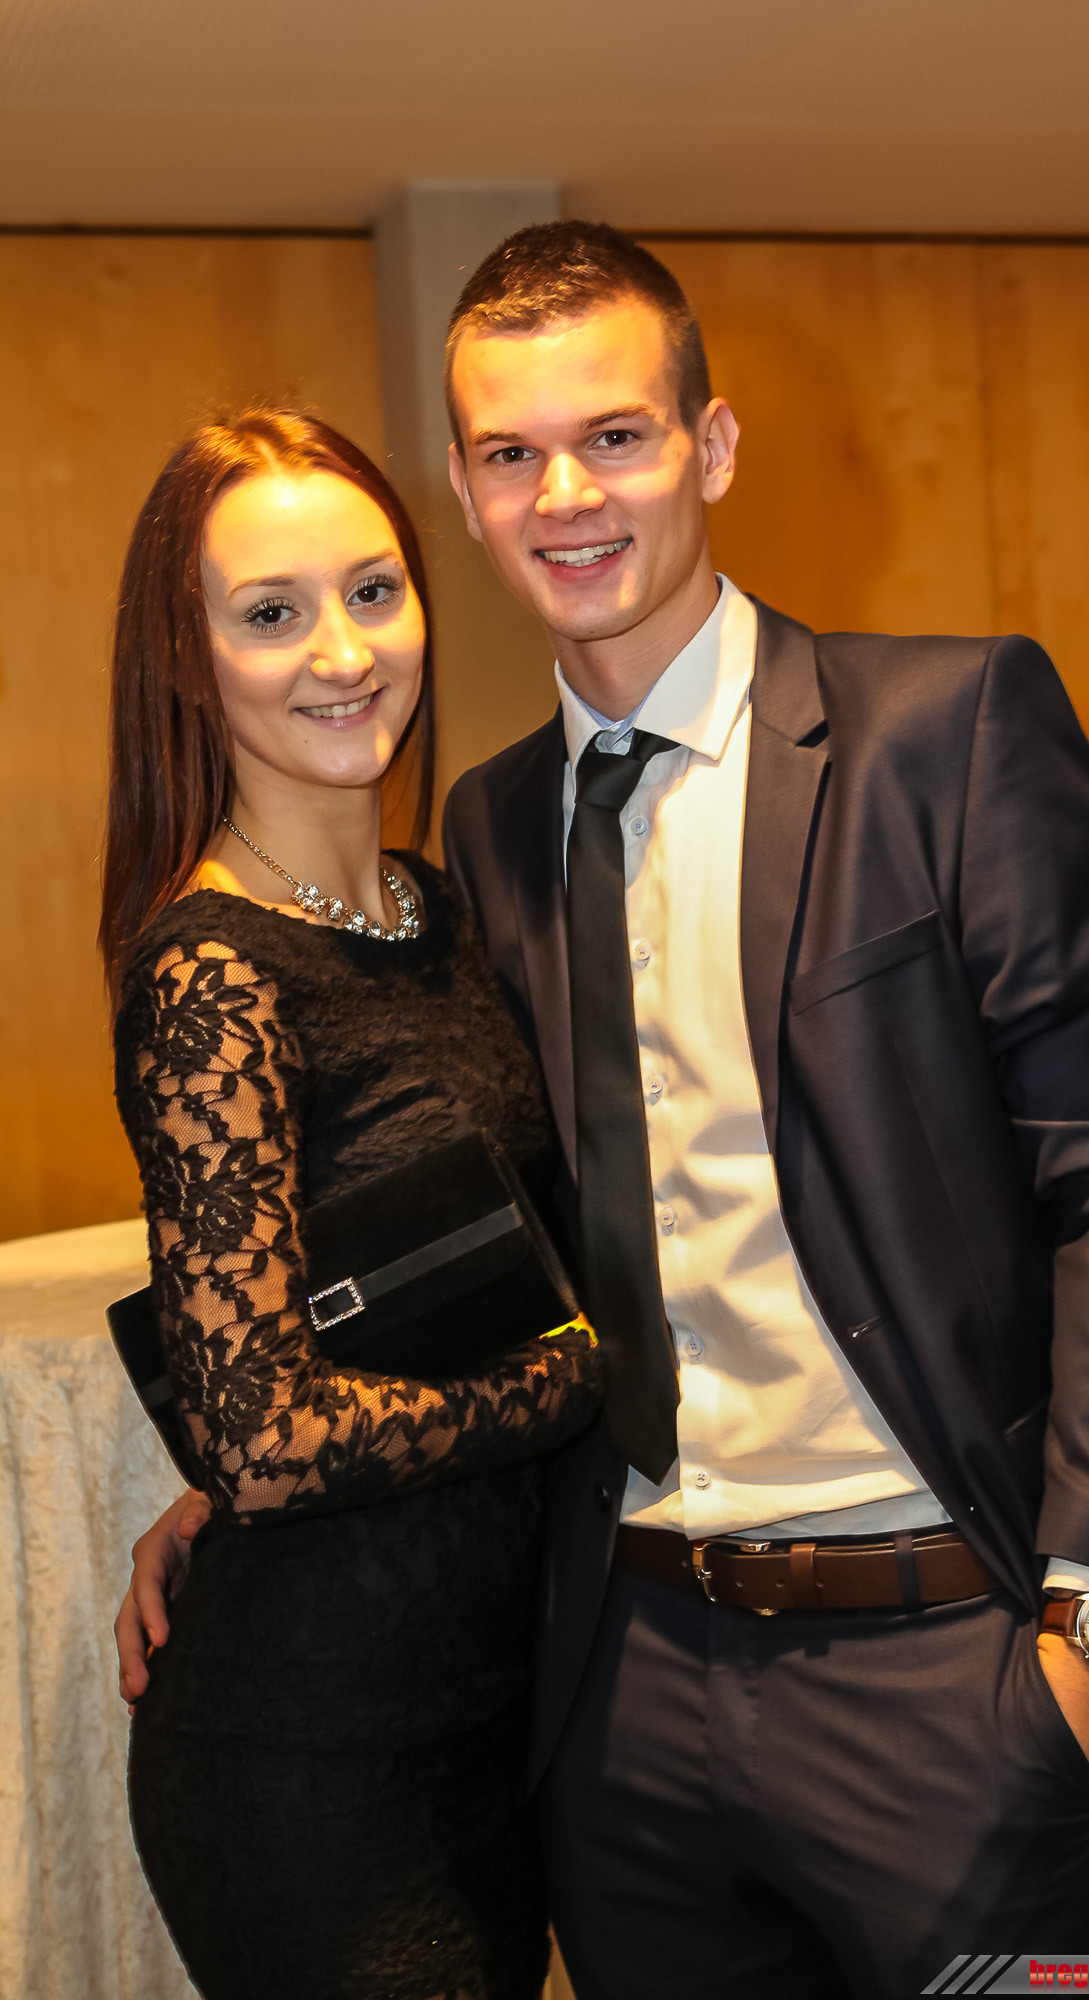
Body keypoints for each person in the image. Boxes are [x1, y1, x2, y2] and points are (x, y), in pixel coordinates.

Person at [120, 231, 1089, 1996]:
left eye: (616, 437)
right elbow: (469, 1227)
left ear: (709, 448)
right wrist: (237, 1481)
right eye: (511, 453)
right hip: (618, 1695)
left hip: (950, 1660)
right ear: (466, 499)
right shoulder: (486, 834)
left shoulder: (945, 733)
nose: (566, 495)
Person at [102, 407, 602, 2000]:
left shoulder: (440, 905)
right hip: (316, 1764)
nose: (342, 652)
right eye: (271, 612)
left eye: (373, 592)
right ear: (190, 664)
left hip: (495, 1720)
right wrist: (576, 1383)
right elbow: (264, 1438)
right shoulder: (211, 975)